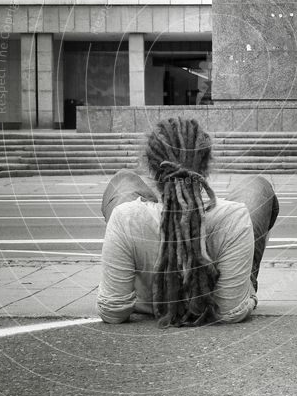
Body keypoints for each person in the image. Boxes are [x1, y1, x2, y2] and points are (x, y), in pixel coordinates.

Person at [97, 116, 279, 327]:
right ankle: (238, 280)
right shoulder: (236, 217)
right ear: (205, 168)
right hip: (216, 301)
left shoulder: (124, 217)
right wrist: (250, 295)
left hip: (146, 302)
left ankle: (139, 276)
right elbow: (229, 312)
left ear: (152, 169)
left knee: (123, 181)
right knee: (257, 186)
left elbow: (112, 312)